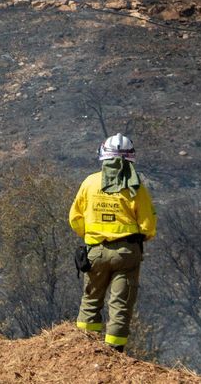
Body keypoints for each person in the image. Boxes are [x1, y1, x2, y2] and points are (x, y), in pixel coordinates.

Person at [69, 133, 156, 352]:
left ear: (103, 156)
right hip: (126, 254)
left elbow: (75, 218)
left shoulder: (90, 183)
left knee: (90, 301)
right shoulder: (136, 187)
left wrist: (89, 235)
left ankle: (83, 350)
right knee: (120, 305)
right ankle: (114, 355)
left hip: (95, 253)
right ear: (130, 159)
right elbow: (148, 226)